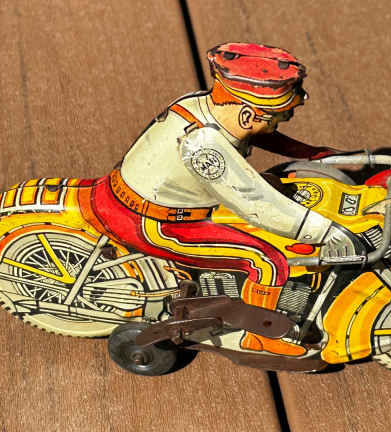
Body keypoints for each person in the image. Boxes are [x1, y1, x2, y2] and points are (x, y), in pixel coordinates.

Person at [92, 43, 362, 355]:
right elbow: (255, 204)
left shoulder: (203, 105)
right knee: (268, 260)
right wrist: (327, 232)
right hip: (152, 222)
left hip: (147, 199)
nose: (279, 121)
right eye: (277, 117)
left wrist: (313, 154)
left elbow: (260, 133)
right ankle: (259, 337)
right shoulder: (205, 147)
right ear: (247, 114)